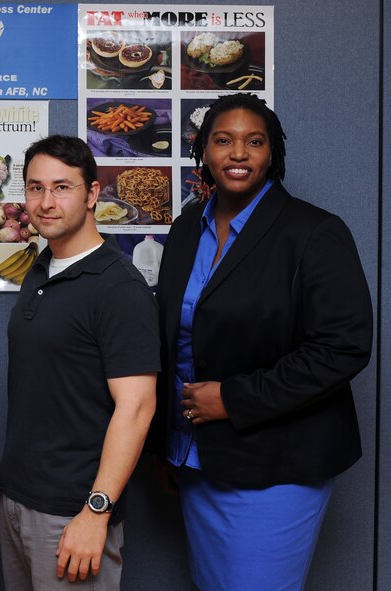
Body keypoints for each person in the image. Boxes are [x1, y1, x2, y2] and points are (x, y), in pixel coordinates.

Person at [152, 93, 373, 590]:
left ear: (273, 153)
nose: (238, 153)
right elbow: (174, 342)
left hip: (278, 463)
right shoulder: (186, 230)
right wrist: (166, 445)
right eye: (223, 140)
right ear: (203, 151)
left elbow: (343, 346)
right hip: (195, 457)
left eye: (254, 142)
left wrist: (233, 398)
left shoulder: (314, 232)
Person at [0, 135, 160, 590]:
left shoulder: (119, 287)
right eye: (36, 188)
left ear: (92, 195)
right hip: (17, 498)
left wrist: (96, 511)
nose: (46, 202)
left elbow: (137, 407)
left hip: (74, 512)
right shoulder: (40, 269)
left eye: (62, 187)